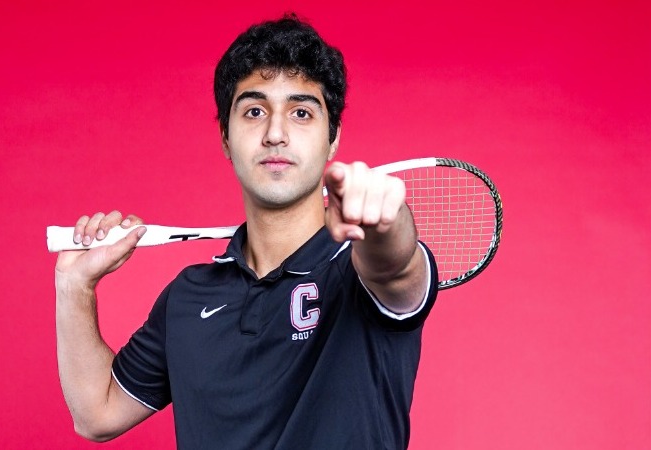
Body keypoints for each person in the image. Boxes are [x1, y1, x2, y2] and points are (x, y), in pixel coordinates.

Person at [54, 15, 438, 450]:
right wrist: (74, 286)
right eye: (255, 111)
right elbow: (95, 414)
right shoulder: (186, 297)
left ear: (332, 140)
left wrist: (386, 220)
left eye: (301, 112)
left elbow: (395, 266)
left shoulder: (360, 274)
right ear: (225, 136)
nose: (276, 133)